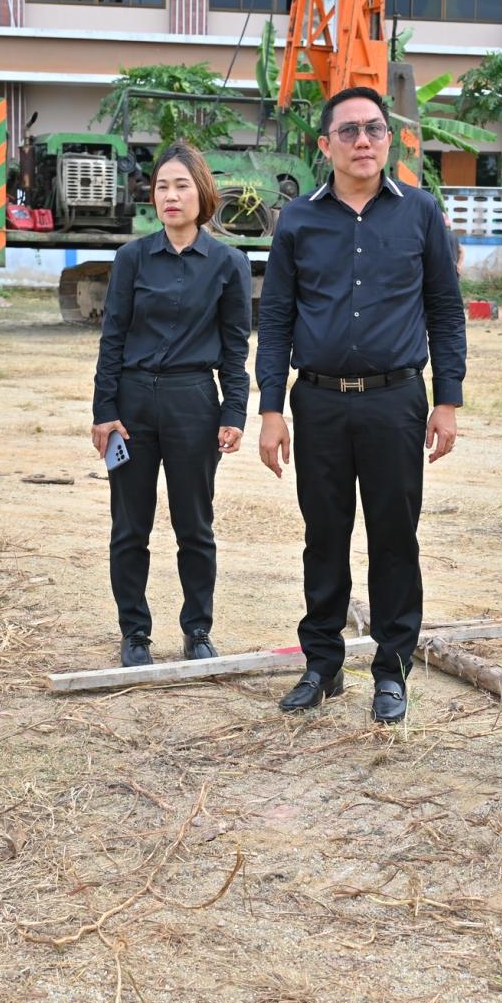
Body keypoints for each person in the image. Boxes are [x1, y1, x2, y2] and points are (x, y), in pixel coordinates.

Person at [256, 86, 466, 725]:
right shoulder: (297, 219)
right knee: (324, 537)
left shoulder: (420, 212)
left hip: (396, 400)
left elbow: (445, 309)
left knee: (394, 538)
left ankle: (392, 670)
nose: (363, 142)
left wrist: (447, 400)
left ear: (389, 139)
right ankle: (322, 665)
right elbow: (277, 315)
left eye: (374, 129)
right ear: (326, 146)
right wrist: (270, 409)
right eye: (347, 132)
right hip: (317, 401)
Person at [91, 142, 252, 666]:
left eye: (181, 185)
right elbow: (111, 338)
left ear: (201, 193)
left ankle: (197, 629)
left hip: (194, 401)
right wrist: (103, 410)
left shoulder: (228, 263)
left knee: (194, 525)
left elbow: (235, 347)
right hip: (133, 404)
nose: (171, 195)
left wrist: (233, 413)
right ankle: (134, 633)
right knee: (129, 526)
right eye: (162, 186)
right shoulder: (132, 257)